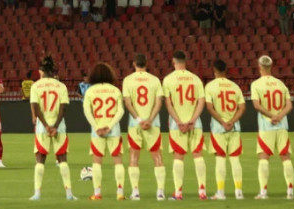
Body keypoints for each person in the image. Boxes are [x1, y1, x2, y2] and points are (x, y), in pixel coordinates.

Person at [28, 56, 76, 201]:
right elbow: (64, 107)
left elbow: (35, 107)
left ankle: (37, 193)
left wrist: (46, 125)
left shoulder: (36, 86)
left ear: (43, 71)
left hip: (43, 128)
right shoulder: (61, 86)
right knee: (62, 159)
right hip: (59, 127)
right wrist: (54, 126)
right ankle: (69, 194)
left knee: (40, 159)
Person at [162, 50, 207, 200]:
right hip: (195, 123)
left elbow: (168, 103)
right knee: (197, 155)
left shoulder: (168, 80)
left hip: (177, 124)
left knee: (178, 156)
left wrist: (179, 121)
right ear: (185, 62)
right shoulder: (196, 79)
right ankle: (202, 191)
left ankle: (178, 192)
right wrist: (193, 119)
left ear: (173, 62)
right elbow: (201, 101)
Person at [121, 54, 166, 200]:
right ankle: (160, 192)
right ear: (146, 63)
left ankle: (135, 192)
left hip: (135, 124)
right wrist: (150, 120)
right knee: (157, 156)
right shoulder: (155, 80)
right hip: (153, 124)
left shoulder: (128, 80)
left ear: (134, 63)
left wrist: (140, 120)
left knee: (134, 157)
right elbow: (159, 102)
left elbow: (128, 103)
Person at [250, 55, 294, 199]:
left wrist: (271, 116)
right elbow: (289, 105)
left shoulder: (256, 84)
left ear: (259, 67)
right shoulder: (280, 84)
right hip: (282, 126)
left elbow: (257, 105)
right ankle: (290, 191)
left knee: (263, 157)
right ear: (271, 66)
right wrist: (279, 116)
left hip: (266, 126)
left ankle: (263, 192)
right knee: (286, 157)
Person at [83, 62, 126, 201]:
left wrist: (97, 127)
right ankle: (120, 193)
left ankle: (97, 193)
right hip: (114, 131)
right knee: (118, 161)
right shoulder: (115, 90)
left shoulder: (90, 91)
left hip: (97, 131)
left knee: (97, 162)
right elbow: (120, 111)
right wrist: (110, 125)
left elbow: (87, 111)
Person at [203, 59, 245, 200]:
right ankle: (238, 191)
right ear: (226, 70)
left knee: (220, 159)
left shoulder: (210, 86)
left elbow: (209, 107)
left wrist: (222, 122)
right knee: (235, 159)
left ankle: (220, 192)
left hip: (218, 128)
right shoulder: (235, 86)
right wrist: (232, 121)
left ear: (214, 70)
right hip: (234, 128)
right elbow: (242, 107)